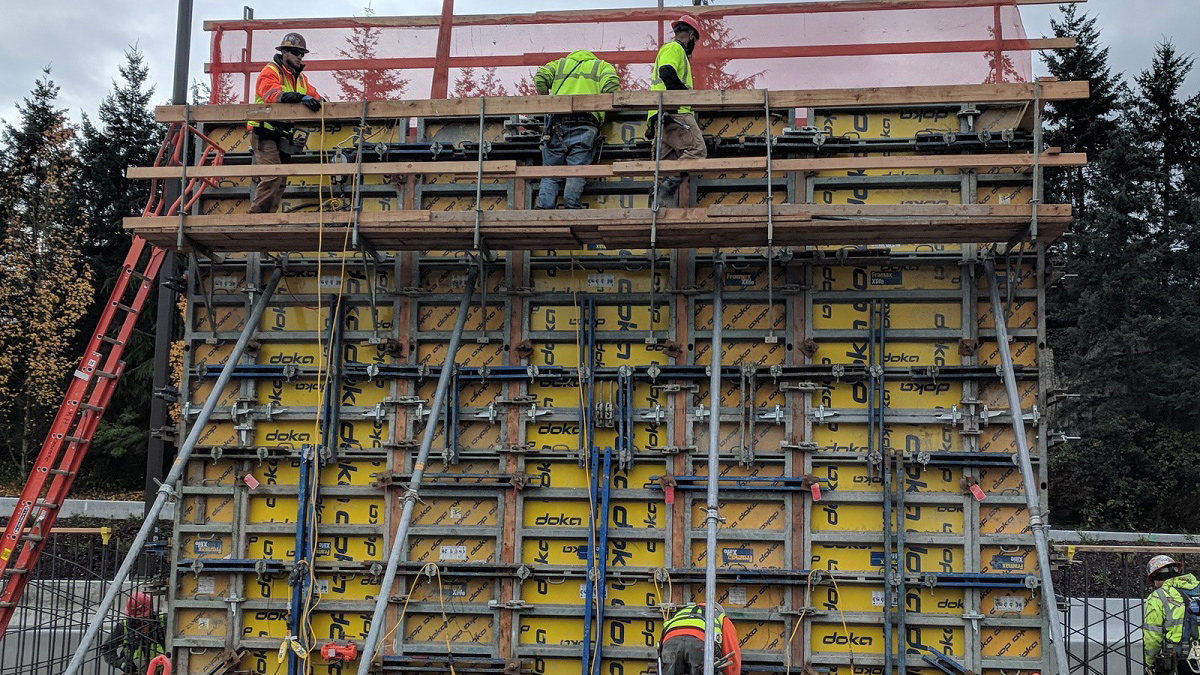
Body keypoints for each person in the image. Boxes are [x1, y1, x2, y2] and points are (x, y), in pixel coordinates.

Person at [532, 50, 620, 209]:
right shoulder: (601, 66)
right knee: (576, 170)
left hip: (557, 123)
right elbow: (611, 85)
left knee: (551, 173)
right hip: (586, 124)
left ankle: (544, 210)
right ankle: (571, 207)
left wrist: (546, 99)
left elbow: (540, 78)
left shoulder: (560, 64)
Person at [247, 32, 324, 214]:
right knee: (272, 176)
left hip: (281, 135)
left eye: (302, 54)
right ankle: (256, 219)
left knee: (280, 180)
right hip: (264, 132)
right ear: (285, 53)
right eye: (296, 52)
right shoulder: (270, 72)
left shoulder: (300, 79)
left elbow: (317, 97)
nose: (300, 57)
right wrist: (300, 97)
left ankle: (268, 218)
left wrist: (323, 104)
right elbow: (273, 95)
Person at [647, 15, 707, 208]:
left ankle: (658, 207)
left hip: (662, 117)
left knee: (663, 168)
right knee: (697, 151)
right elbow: (666, 72)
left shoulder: (669, 50)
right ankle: (665, 190)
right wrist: (683, 97)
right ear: (690, 35)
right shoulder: (675, 48)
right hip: (676, 114)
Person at [1143, 554, 1200, 675]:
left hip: (1179, 661)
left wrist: (1151, 664)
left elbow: (1152, 637)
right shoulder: (1198, 588)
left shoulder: (1157, 597)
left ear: (1156, 578)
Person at [659, 602, 741, 675]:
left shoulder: (682, 613)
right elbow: (731, 653)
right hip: (699, 644)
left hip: (670, 643)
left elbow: (662, 640)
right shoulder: (721, 617)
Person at [101, 591, 166, 675]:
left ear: (150, 613)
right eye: (136, 621)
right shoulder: (123, 626)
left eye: (144, 620)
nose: (140, 625)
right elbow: (107, 648)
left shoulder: (163, 622)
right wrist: (120, 663)